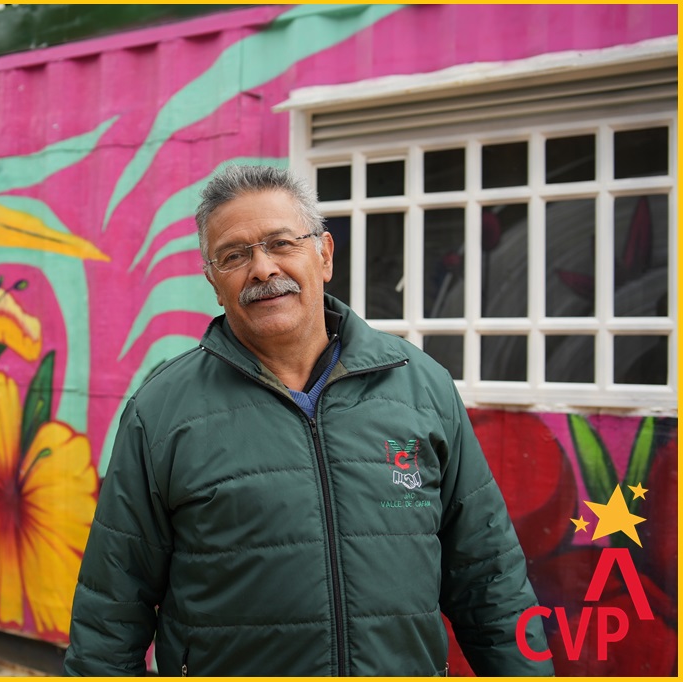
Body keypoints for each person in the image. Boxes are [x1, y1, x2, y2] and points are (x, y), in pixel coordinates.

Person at [64, 165, 553, 676]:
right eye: (235, 255)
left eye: (281, 243)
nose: (262, 269)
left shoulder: (421, 387)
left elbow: (489, 578)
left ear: (324, 255)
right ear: (213, 282)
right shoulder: (161, 412)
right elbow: (111, 613)